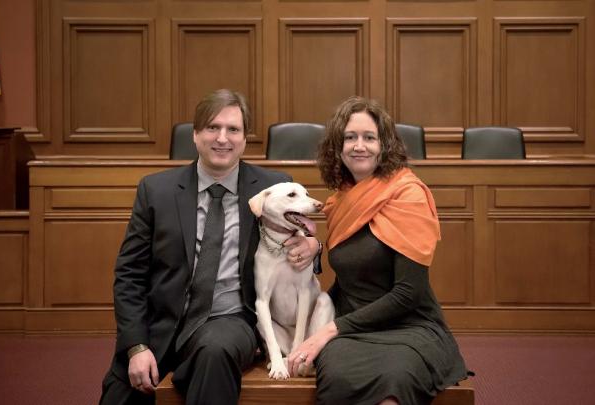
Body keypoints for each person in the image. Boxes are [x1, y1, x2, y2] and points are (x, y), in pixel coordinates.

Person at [100, 89, 321, 405]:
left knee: (215, 352)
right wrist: (136, 347)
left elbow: (299, 244)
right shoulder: (156, 190)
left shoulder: (273, 189)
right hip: (161, 327)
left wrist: (316, 246)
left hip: (231, 322)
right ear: (195, 134)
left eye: (233, 129)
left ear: (245, 139)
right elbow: (129, 276)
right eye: (212, 128)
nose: (223, 138)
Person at [286, 96, 469, 404]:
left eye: (369, 137)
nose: (360, 145)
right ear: (337, 147)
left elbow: (409, 293)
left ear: (384, 145)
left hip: (410, 327)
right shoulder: (342, 200)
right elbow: (351, 272)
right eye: (350, 137)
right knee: (338, 377)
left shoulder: (408, 195)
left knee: (392, 381)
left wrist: (329, 330)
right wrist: (309, 327)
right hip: (353, 329)